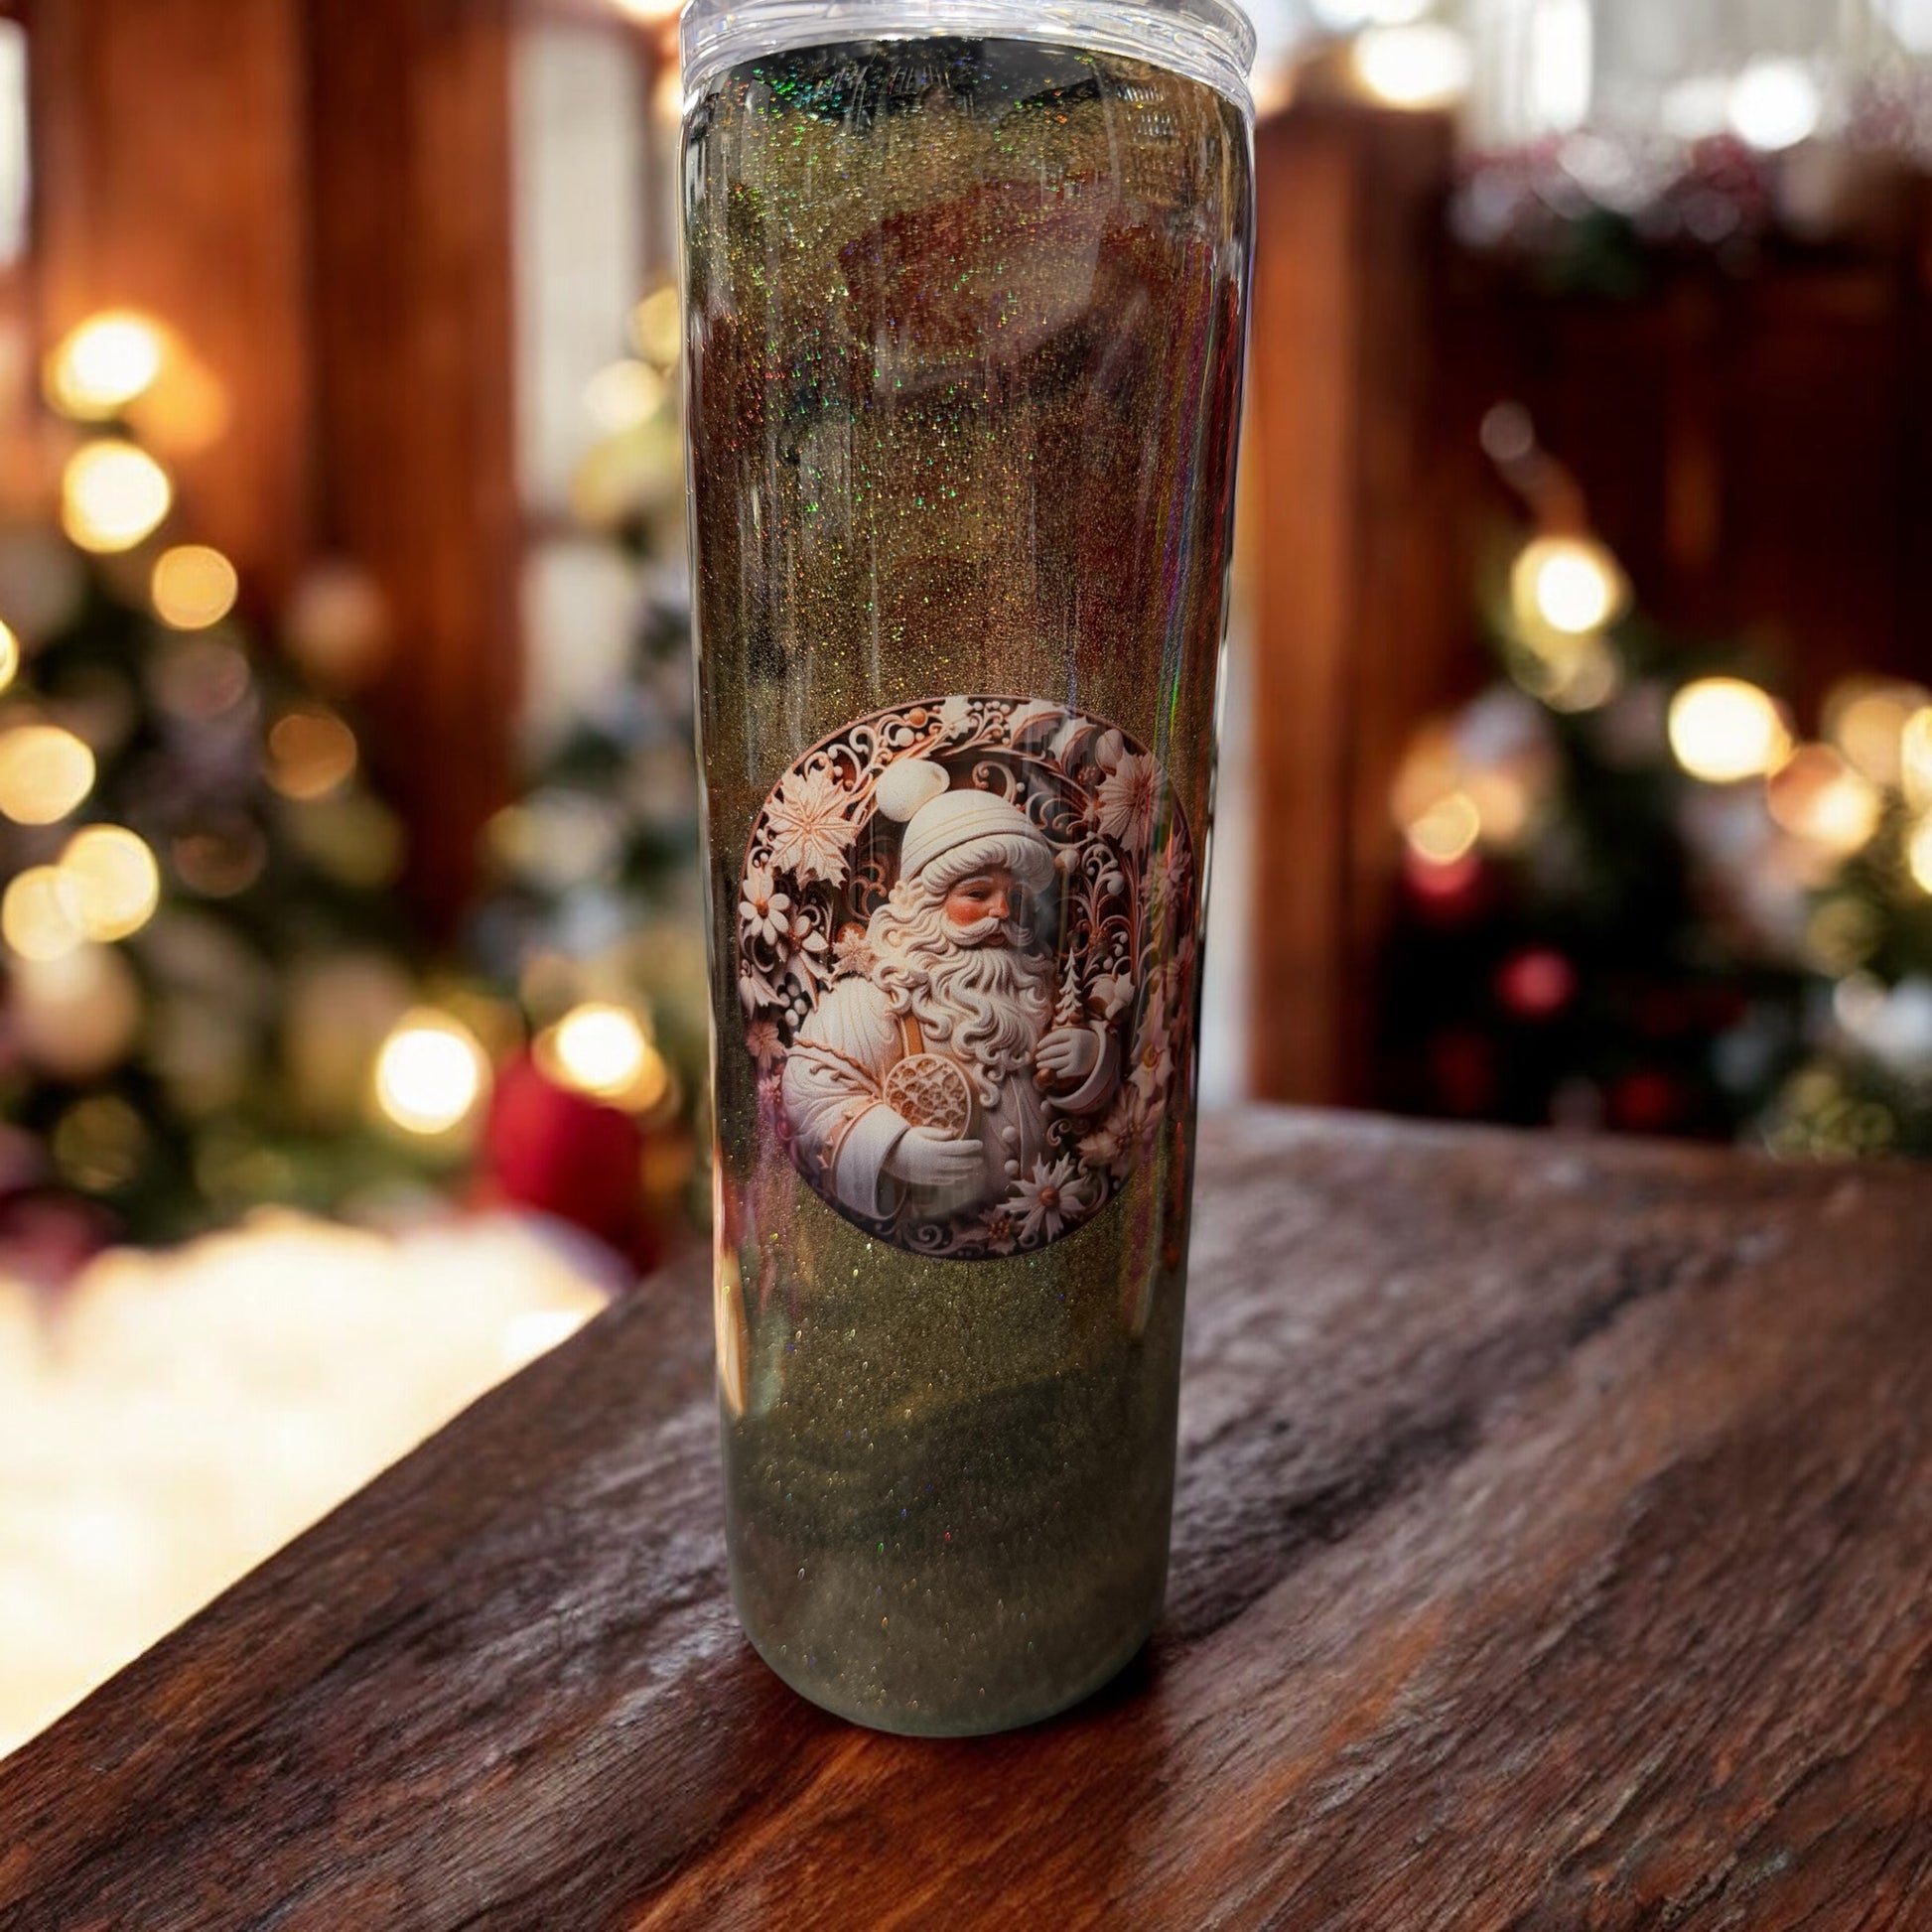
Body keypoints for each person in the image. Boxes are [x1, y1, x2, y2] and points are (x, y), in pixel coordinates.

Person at [782, 758, 1118, 1232]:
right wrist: (892, 1149)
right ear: (926, 904)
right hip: (928, 1235)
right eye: (977, 894)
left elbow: (1090, 1106)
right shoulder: (874, 1000)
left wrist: (1093, 1061)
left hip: (1052, 1229)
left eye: (1014, 898)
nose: (1002, 912)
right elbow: (809, 1093)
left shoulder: (1033, 988)